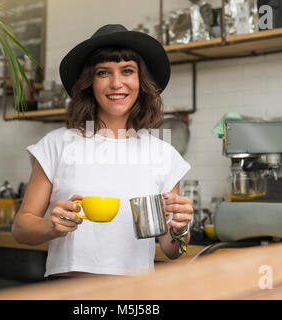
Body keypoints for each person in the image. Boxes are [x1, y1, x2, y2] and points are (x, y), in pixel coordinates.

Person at [12, 24, 193, 278]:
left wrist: (180, 229)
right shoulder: (57, 145)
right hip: (70, 293)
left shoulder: (164, 155)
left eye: (127, 71)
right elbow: (21, 228)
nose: (116, 83)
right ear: (90, 82)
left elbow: (173, 250)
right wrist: (51, 226)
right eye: (103, 72)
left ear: (141, 81)